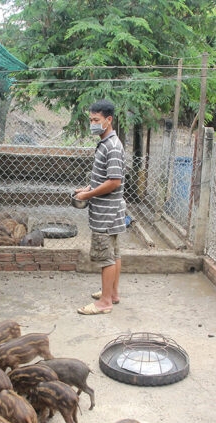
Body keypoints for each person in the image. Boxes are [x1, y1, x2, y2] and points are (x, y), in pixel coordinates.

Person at [74, 99, 126, 315]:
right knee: (114, 254)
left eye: (96, 120)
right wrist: (88, 187)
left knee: (105, 257)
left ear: (109, 120)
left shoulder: (112, 146)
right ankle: (112, 294)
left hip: (106, 212)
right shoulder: (107, 143)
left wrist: (89, 194)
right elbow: (105, 177)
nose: (93, 124)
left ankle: (104, 303)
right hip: (112, 210)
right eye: (91, 120)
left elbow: (114, 181)